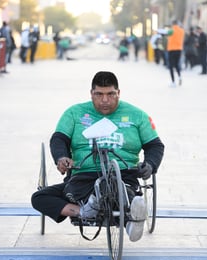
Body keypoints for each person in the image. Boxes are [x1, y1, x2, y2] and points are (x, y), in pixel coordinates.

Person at [31, 71, 165, 242]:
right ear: (91, 93)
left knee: (119, 189)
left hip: (122, 174)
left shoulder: (137, 115)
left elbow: (155, 145)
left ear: (118, 93)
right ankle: (86, 210)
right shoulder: (74, 113)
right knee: (39, 197)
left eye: (110, 94)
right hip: (84, 175)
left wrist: (150, 164)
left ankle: (130, 214)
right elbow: (58, 139)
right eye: (99, 94)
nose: (105, 100)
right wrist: (61, 157)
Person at [165, 20, 185, 86]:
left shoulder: (171, 30)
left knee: (171, 66)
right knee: (176, 64)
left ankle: (173, 82)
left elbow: (166, 35)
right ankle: (179, 76)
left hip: (171, 49)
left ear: (172, 24)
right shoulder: (182, 31)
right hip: (179, 49)